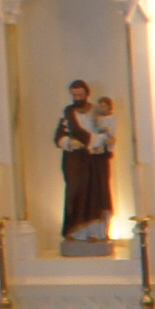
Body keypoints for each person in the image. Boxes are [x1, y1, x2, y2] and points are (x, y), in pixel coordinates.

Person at [54, 81, 114, 249]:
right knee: (76, 192)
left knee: (97, 193)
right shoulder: (68, 113)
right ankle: (77, 232)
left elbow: (107, 129)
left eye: (80, 94)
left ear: (87, 93)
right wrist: (69, 142)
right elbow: (58, 137)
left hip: (95, 160)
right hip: (76, 161)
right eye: (74, 95)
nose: (77, 98)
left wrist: (105, 141)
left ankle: (96, 232)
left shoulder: (96, 111)